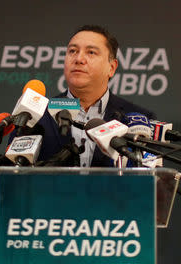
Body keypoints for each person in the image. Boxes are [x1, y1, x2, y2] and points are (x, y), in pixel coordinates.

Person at [12, 25, 155, 167]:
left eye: (91, 52)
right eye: (72, 51)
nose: (79, 59)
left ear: (111, 67)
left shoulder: (140, 121)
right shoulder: (36, 115)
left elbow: (153, 181)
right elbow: (12, 173)